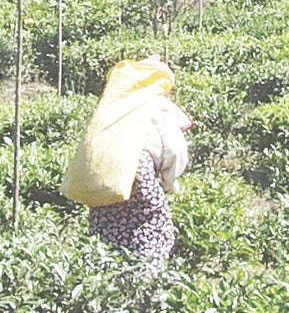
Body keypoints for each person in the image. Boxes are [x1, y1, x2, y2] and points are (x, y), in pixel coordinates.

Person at [62, 56, 194, 261]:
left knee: (107, 237)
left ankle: (111, 285)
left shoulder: (112, 105)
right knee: (151, 230)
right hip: (138, 172)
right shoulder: (157, 106)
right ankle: (146, 283)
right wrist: (169, 183)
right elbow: (176, 152)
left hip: (106, 181)